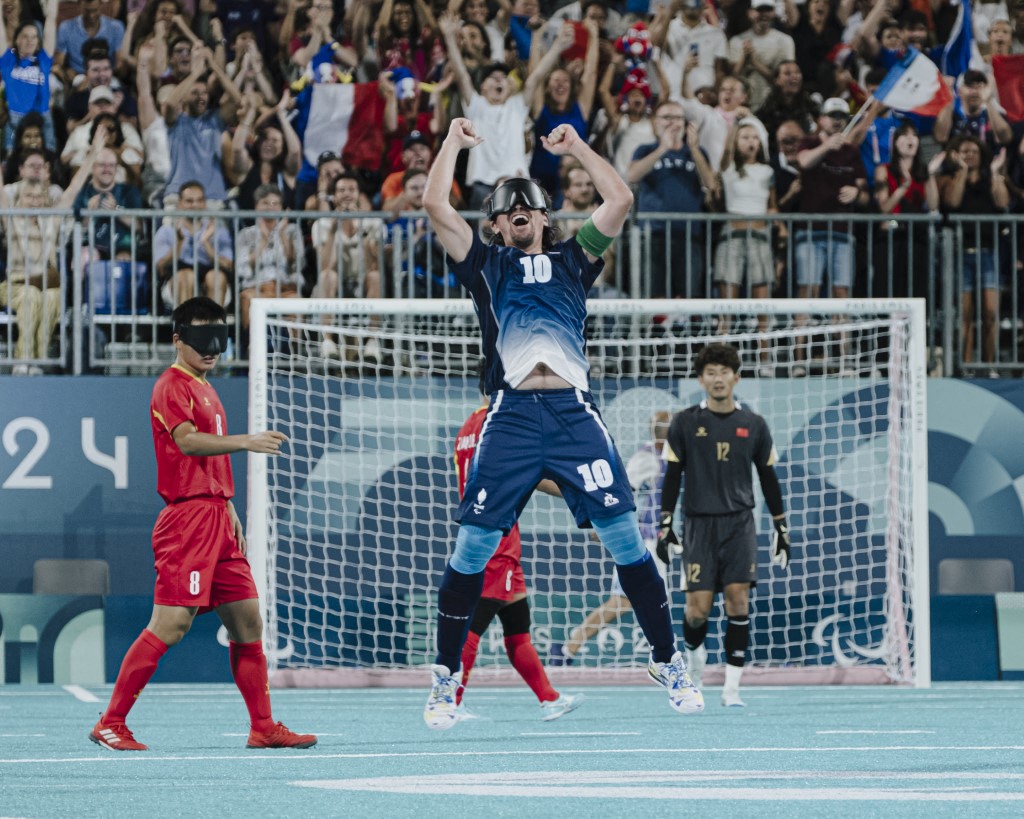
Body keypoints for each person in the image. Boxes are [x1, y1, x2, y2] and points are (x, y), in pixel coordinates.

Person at [421, 117, 704, 730]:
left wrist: (576, 146)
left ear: (546, 218)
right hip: (513, 416)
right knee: (472, 547)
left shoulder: (577, 260)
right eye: (505, 208)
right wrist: (451, 142)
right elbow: (434, 203)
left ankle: (668, 660)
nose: (519, 210)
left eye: (530, 205)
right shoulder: (485, 267)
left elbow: (621, 197)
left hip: (575, 415)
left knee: (628, 541)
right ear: (495, 225)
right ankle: (445, 680)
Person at [89, 297, 317, 752]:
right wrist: (247, 442)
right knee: (171, 625)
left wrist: (227, 505)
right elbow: (189, 443)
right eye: (200, 338)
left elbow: (205, 462)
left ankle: (263, 726)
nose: (211, 348)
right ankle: (111, 723)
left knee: (249, 623)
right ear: (177, 340)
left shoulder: (207, 386)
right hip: (188, 522)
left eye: (219, 336)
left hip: (217, 517)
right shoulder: (170, 386)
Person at [657, 342, 791, 707]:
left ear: (736, 377)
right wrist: (665, 522)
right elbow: (672, 475)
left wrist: (781, 526)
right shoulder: (685, 421)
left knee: (738, 600)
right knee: (697, 609)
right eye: (710, 373)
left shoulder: (754, 424)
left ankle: (732, 689)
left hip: (739, 525)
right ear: (701, 379)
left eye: (724, 372)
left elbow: (768, 477)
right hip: (698, 525)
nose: (718, 379)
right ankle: (695, 669)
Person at [453, 372, 585, 721]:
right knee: (473, 626)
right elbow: (531, 475)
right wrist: (583, 495)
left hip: (492, 531)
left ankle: (549, 698)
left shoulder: (468, 426)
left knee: (517, 627)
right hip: (495, 535)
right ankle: (449, 701)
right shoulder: (499, 425)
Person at [550, 411, 672, 666]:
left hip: (661, 538)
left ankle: (665, 656)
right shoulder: (646, 458)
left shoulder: (671, 457)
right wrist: (607, 524)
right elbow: (622, 492)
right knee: (623, 601)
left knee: (648, 598)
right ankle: (569, 648)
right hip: (641, 538)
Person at [153, 180, 234, 309]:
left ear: (205, 203)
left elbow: (228, 266)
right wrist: (179, 243)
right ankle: (187, 328)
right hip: (176, 282)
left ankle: (213, 327)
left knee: (216, 277)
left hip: (210, 278)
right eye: (189, 201)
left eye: (200, 200)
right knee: (186, 276)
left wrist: (206, 243)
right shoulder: (166, 231)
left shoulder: (219, 232)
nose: (195, 205)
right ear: (179, 204)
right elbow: (161, 267)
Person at [235, 185, 304, 331]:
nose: (270, 207)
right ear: (256, 206)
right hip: (257, 288)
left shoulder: (292, 231)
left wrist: (283, 235)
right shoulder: (246, 234)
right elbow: (244, 268)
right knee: (248, 298)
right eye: (265, 203)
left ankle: (295, 351)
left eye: (275, 203)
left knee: (296, 301)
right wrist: (263, 241)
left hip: (285, 288)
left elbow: (296, 264)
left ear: (281, 207)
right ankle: (250, 348)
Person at [0, 0, 58, 152]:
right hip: (16, 119)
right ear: (17, 40)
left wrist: (51, 8)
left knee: (49, 159)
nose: (29, 41)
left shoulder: (44, 60)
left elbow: (51, 20)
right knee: (11, 161)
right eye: (25, 36)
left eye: (34, 37)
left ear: (39, 42)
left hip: (42, 118)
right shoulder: (8, 61)